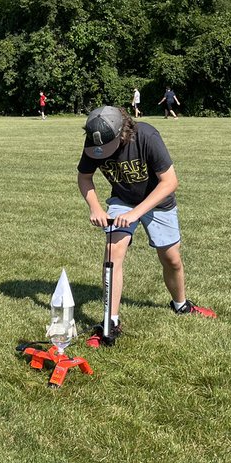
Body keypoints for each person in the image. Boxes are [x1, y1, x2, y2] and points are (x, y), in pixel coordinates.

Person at [77, 105, 216, 347]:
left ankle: (181, 305)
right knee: (113, 252)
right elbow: (84, 177)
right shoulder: (95, 142)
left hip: (158, 200)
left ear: (123, 132)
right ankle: (111, 322)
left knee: (171, 258)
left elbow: (170, 182)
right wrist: (95, 208)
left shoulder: (147, 136)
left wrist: (135, 213)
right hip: (123, 200)